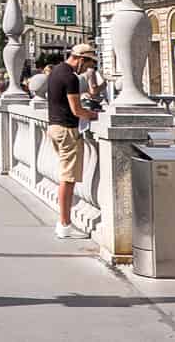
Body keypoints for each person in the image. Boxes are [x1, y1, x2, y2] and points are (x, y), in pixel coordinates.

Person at [46, 43, 100, 239]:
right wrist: (93, 115)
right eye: (88, 64)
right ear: (80, 59)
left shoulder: (55, 71)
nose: (87, 69)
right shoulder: (70, 77)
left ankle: (64, 221)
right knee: (67, 179)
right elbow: (76, 110)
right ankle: (64, 223)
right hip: (67, 130)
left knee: (65, 176)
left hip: (53, 127)